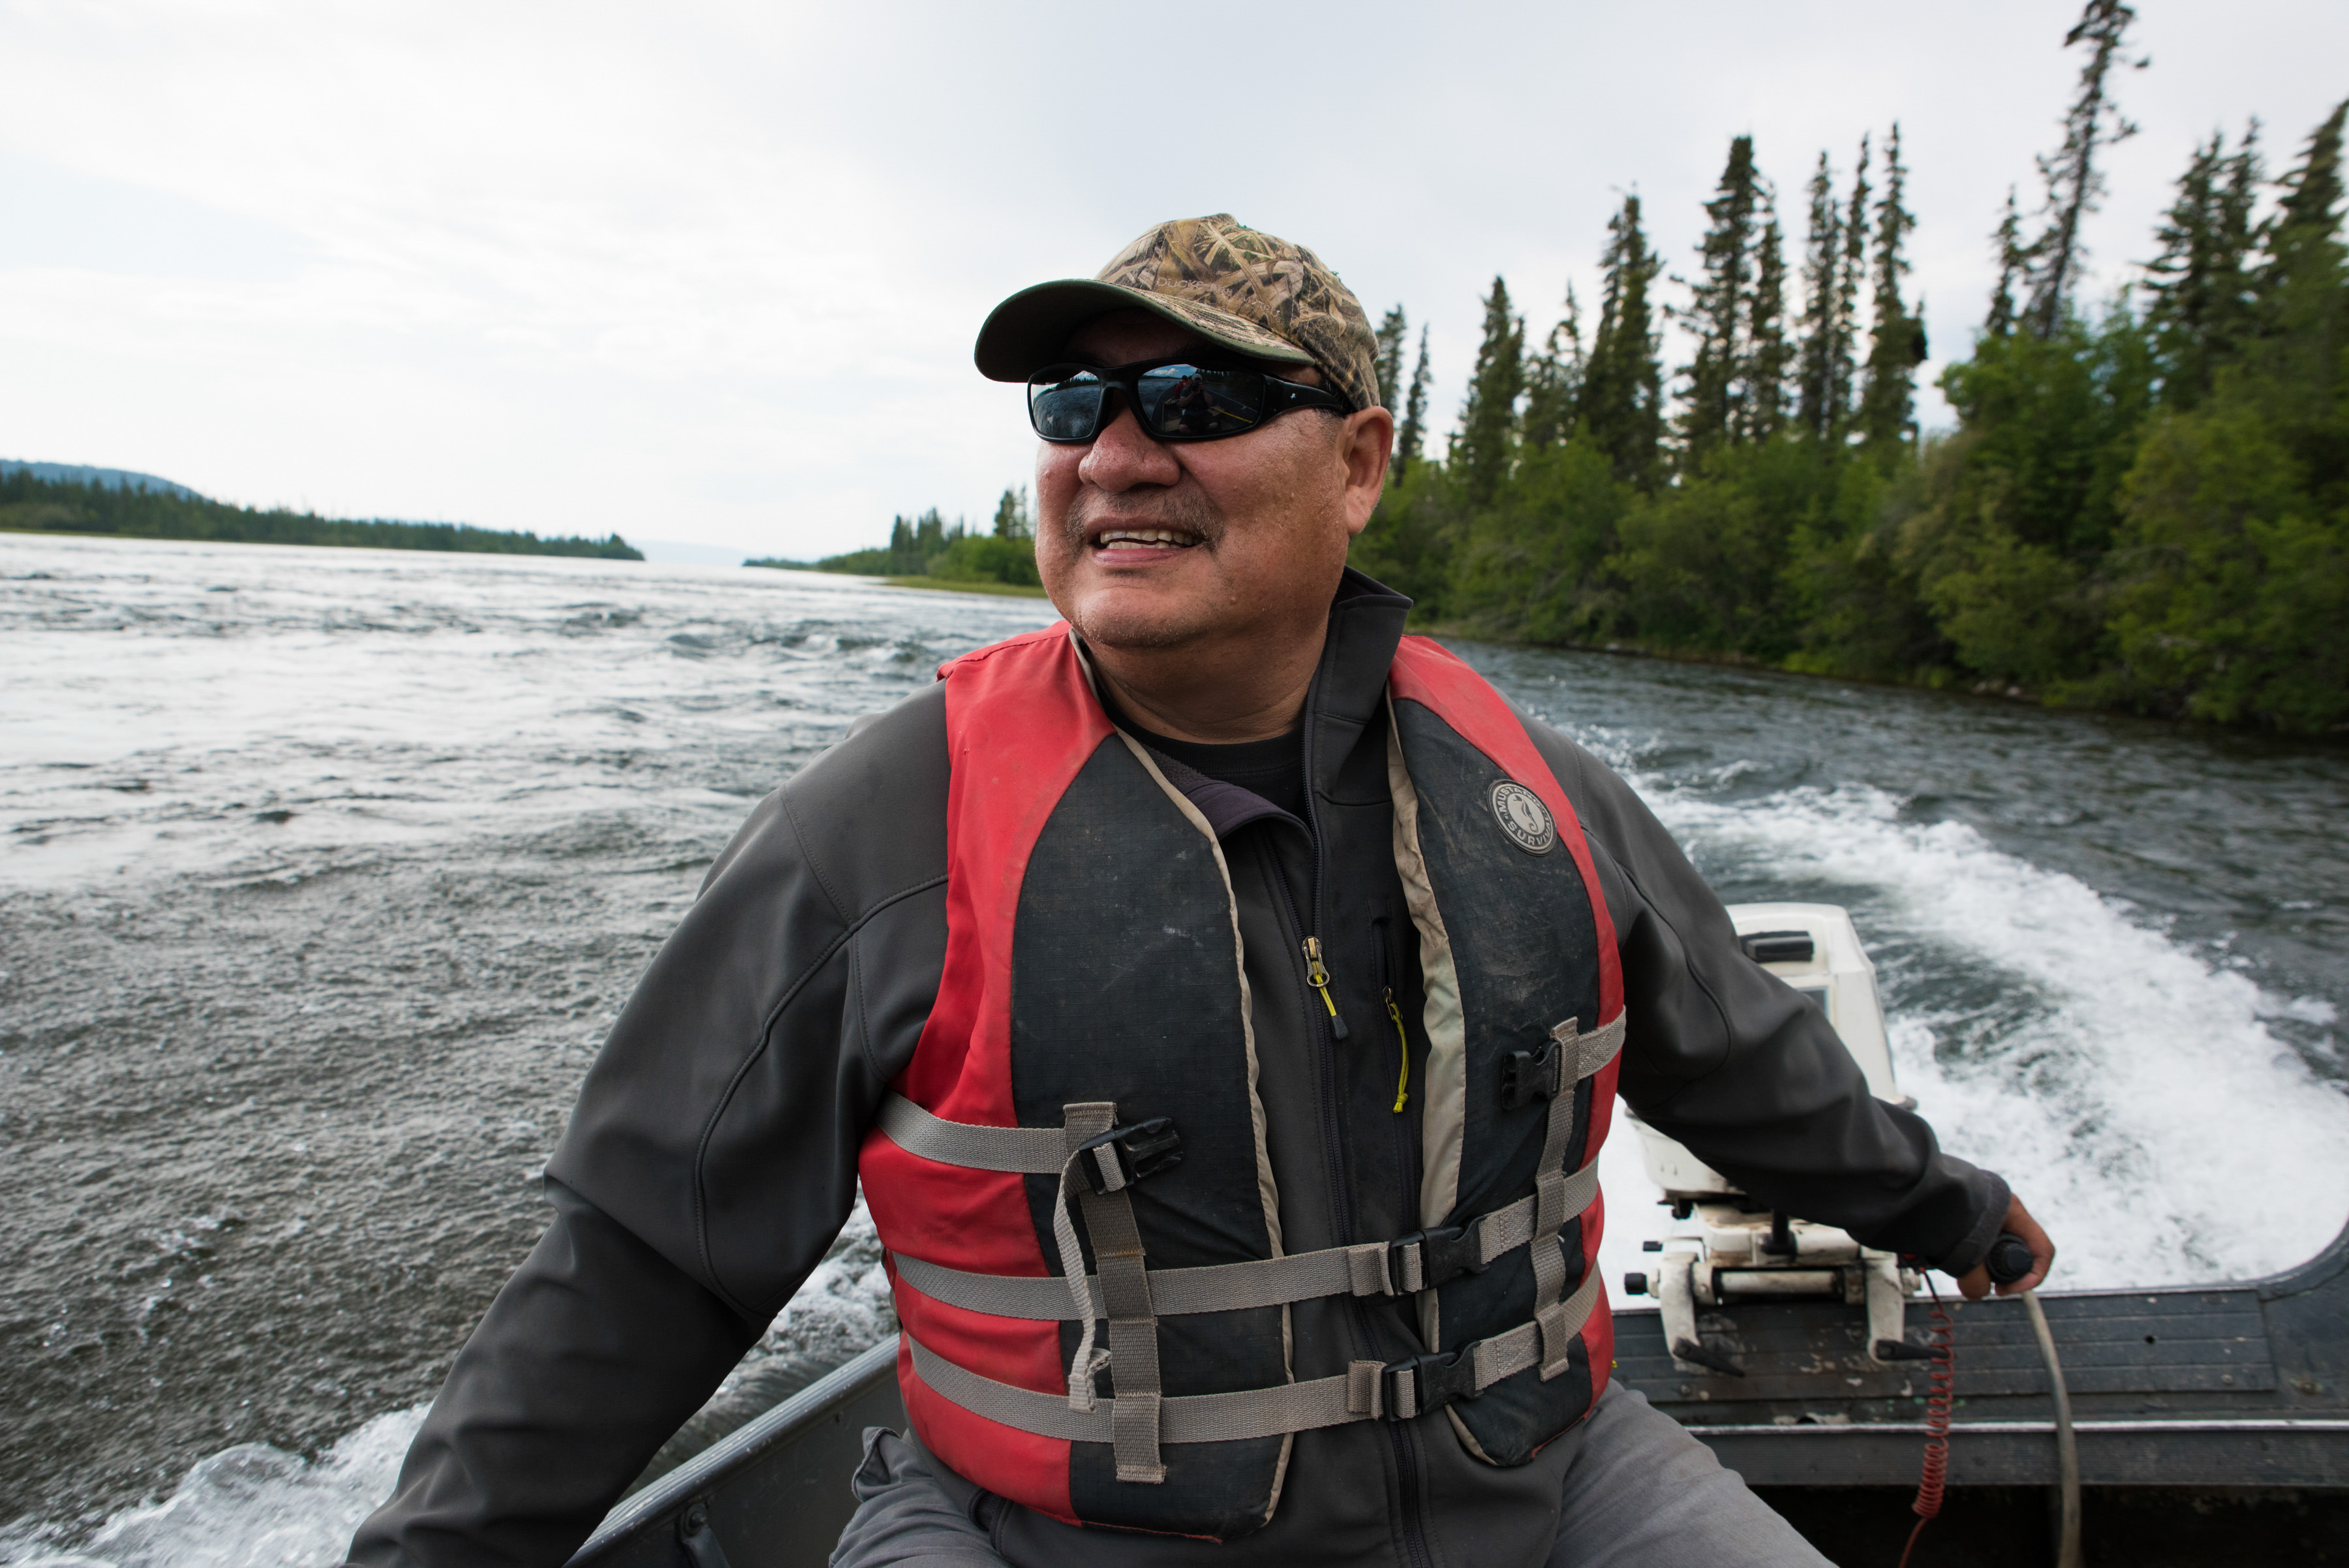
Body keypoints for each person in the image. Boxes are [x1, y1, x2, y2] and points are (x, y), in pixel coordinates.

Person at [348, 213, 2054, 1568]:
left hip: (1541, 1489)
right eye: (1076, 404)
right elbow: (639, 1268)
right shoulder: (877, 838)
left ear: (1360, 462)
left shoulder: (1533, 791)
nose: (1119, 454)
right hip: (1047, 1538)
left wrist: (1951, 1211)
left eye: (1202, 401)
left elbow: (1741, 1058)